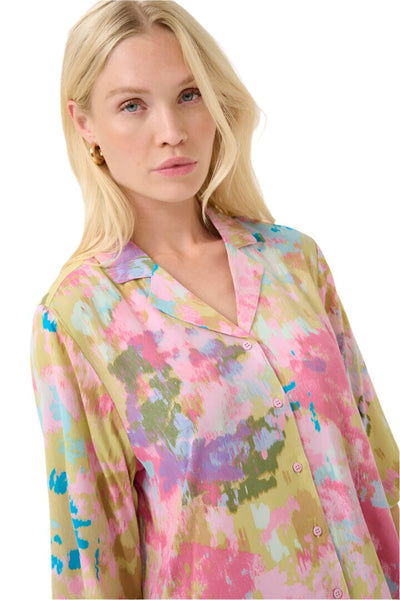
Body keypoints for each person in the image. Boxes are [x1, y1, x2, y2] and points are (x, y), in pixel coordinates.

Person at [30, 1, 399, 598]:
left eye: (189, 94)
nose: (171, 130)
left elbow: (377, 466)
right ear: (84, 124)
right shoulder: (79, 317)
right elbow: (92, 555)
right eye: (132, 105)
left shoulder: (294, 261)